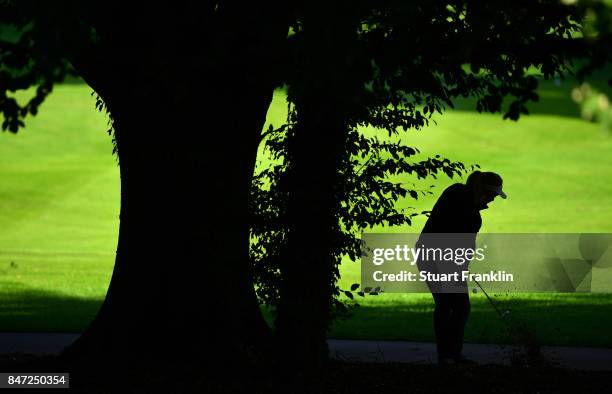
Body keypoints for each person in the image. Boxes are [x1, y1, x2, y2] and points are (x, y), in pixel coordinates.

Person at [416, 171, 506, 365]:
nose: (492, 200)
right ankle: (448, 356)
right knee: (449, 305)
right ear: (485, 191)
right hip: (431, 256)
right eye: (492, 195)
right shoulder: (461, 199)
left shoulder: (470, 209)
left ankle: (451, 355)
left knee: (456, 306)